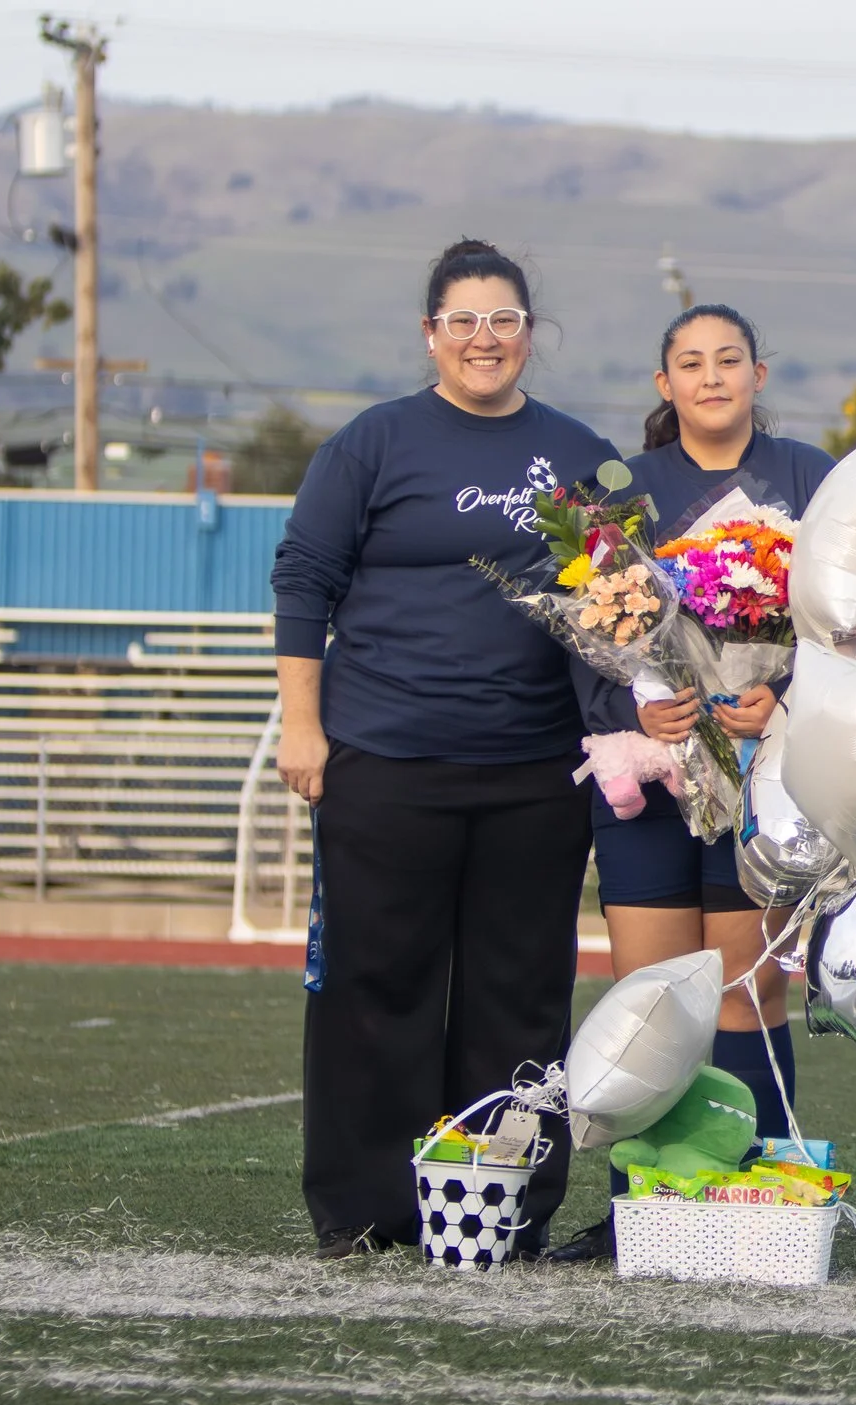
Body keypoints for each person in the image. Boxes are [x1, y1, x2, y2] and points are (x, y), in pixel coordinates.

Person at [271, 238, 624, 1259]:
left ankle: (499, 1211)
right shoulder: (372, 444)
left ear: (529, 334)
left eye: (503, 320)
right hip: (385, 763)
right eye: (463, 321)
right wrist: (305, 723)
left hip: (533, 775)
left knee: (518, 995)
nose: (484, 339)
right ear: (431, 334)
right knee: (377, 988)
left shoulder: (579, 455)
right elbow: (303, 581)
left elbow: (631, 602)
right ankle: (368, 1212)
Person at [546, 304, 834, 1263]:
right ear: (663, 384)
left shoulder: (810, 479)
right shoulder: (617, 492)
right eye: (689, 364)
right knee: (651, 998)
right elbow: (586, 634)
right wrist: (636, 709)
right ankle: (644, 1205)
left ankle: (757, 1191)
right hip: (652, 781)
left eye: (729, 360)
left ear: (760, 370)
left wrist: (779, 694)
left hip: (763, 778)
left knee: (748, 997)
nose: (711, 377)